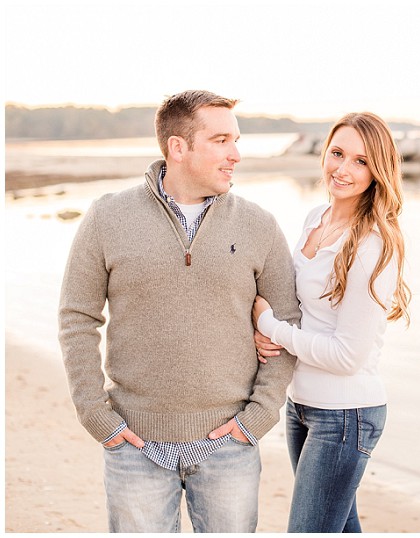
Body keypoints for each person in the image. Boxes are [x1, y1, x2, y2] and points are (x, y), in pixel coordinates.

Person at [58, 90, 301, 533]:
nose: (236, 155)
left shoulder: (259, 224)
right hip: (134, 443)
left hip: (230, 442)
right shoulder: (107, 217)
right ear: (178, 147)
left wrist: (260, 414)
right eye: (222, 140)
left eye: (237, 140)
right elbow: (78, 318)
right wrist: (95, 413)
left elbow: (287, 322)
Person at [251, 111, 411, 533]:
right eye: (337, 153)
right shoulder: (315, 219)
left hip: (346, 413)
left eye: (360, 161)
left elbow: (347, 356)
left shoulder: (374, 244)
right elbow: (304, 313)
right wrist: (266, 334)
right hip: (302, 405)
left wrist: (272, 329)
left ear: (378, 171)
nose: (343, 169)